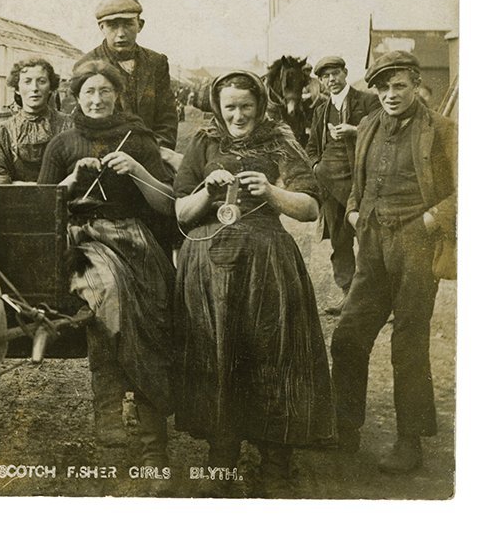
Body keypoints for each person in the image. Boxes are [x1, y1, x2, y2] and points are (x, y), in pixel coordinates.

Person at [171, 71, 335, 496]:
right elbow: (182, 213)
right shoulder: (203, 142)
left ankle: (276, 462)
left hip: (266, 262)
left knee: (273, 353)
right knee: (216, 354)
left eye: (246, 106)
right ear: (218, 108)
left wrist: (271, 190)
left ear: (260, 106)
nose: (238, 115)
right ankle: (221, 458)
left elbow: (310, 208)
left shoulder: (280, 143)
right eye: (230, 107)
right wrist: (207, 190)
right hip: (209, 264)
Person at [38, 61, 176, 482]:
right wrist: (70, 179)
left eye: (104, 92)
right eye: (88, 93)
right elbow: (44, 208)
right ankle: (109, 415)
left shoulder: (141, 140)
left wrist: (138, 171)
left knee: (154, 321)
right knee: (107, 296)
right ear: (74, 98)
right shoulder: (62, 144)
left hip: (137, 239)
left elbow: (167, 205)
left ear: (118, 95)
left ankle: (154, 444)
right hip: (85, 242)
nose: (96, 100)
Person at [330, 51, 456, 474]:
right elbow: (356, 177)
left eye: (398, 85)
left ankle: (409, 442)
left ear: (416, 84)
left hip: (416, 245)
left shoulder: (442, 130)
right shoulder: (367, 125)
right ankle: (344, 428)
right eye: (382, 87)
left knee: (408, 344)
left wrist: (431, 218)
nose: (390, 94)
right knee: (348, 335)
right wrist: (352, 211)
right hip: (372, 242)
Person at [307, 56, 381, 315]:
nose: (331, 80)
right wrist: (316, 166)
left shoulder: (368, 101)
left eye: (336, 74)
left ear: (345, 73)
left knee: (369, 240)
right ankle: (348, 297)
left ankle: (379, 301)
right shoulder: (320, 111)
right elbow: (312, 148)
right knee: (340, 243)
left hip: (359, 185)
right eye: (325, 77)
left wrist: (356, 130)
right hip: (330, 188)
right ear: (321, 82)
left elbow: (384, 134)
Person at [74, 0, 181, 168]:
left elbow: (167, 116)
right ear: (101, 27)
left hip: (154, 158)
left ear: (140, 25)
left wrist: (155, 153)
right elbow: (83, 124)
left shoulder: (156, 62)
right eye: (113, 26)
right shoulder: (86, 65)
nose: (121, 34)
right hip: (107, 161)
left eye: (128, 24)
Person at [0, 57, 73, 184]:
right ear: (17, 89)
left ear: (51, 87)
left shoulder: (69, 125)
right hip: (14, 200)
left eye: (42, 81)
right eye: (27, 81)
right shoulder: (3, 131)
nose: (34, 88)